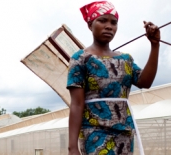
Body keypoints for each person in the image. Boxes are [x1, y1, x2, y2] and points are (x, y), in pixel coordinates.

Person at [66, 1, 160, 155]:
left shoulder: (125, 59)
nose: (109, 26)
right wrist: (72, 147)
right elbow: (76, 104)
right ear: (90, 25)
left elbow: (146, 82)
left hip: (125, 133)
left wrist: (154, 45)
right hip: (95, 132)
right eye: (102, 20)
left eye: (113, 22)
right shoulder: (80, 58)